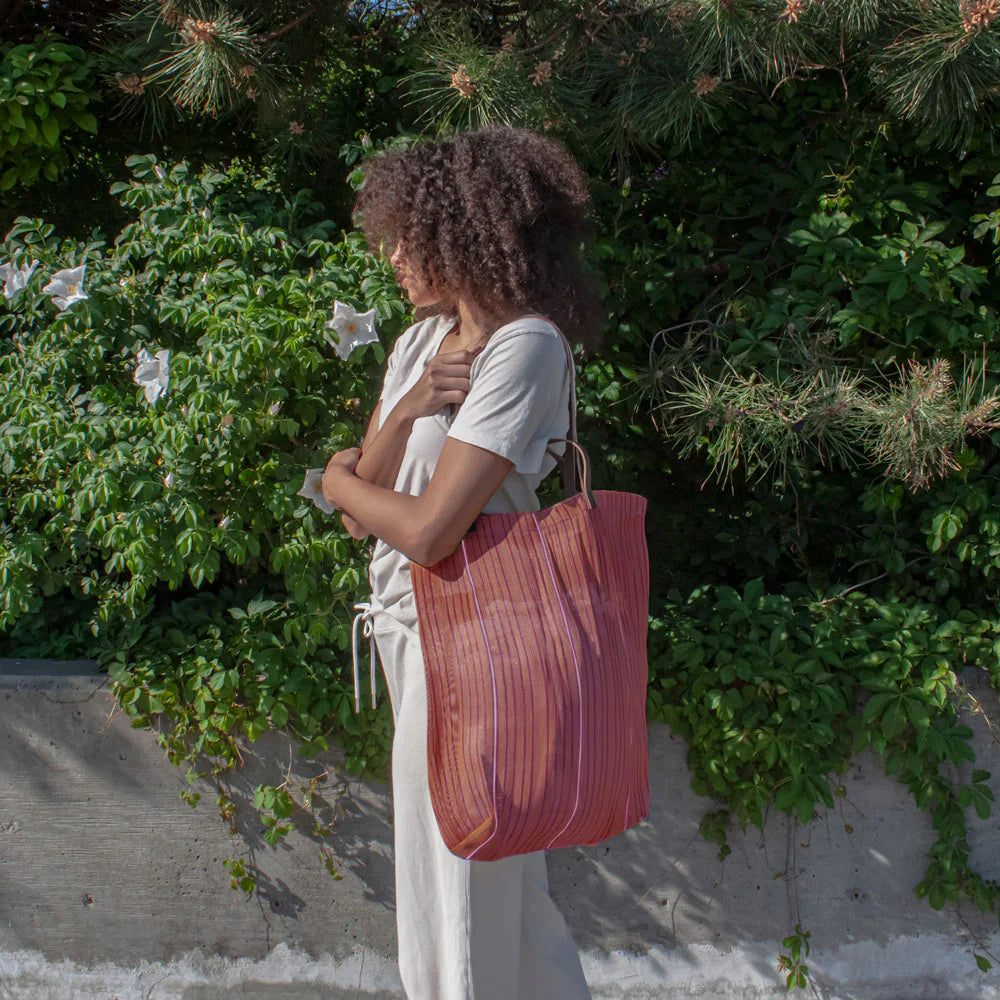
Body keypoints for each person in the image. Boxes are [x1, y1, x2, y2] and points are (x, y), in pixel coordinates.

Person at [320, 124, 601, 1000]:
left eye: (412, 233)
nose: (395, 253)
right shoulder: (421, 344)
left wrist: (333, 480)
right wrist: (404, 410)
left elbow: (429, 528)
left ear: (463, 230)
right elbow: (369, 512)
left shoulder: (524, 347)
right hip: (415, 633)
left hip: (475, 638)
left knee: (458, 878)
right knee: (494, 885)